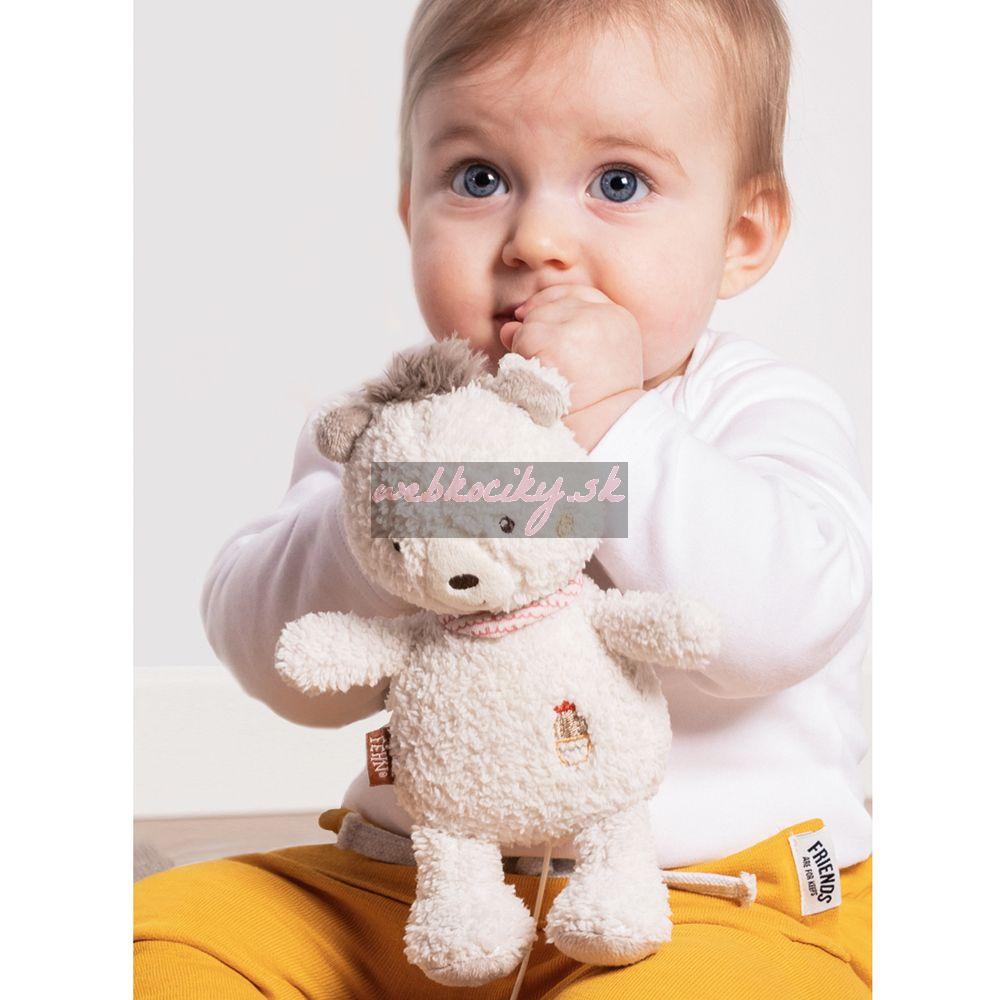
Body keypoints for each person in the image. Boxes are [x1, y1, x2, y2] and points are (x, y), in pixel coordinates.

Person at [135, 1, 872, 996]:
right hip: (412, 887)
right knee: (163, 943)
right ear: (411, 209)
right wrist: (393, 512)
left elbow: (778, 622)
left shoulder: (750, 409)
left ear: (741, 235)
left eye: (618, 183)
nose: (536, 240)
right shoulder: (396, 427)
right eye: (479, 178)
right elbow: (280, 665)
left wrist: (610, 418)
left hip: (710, 902)